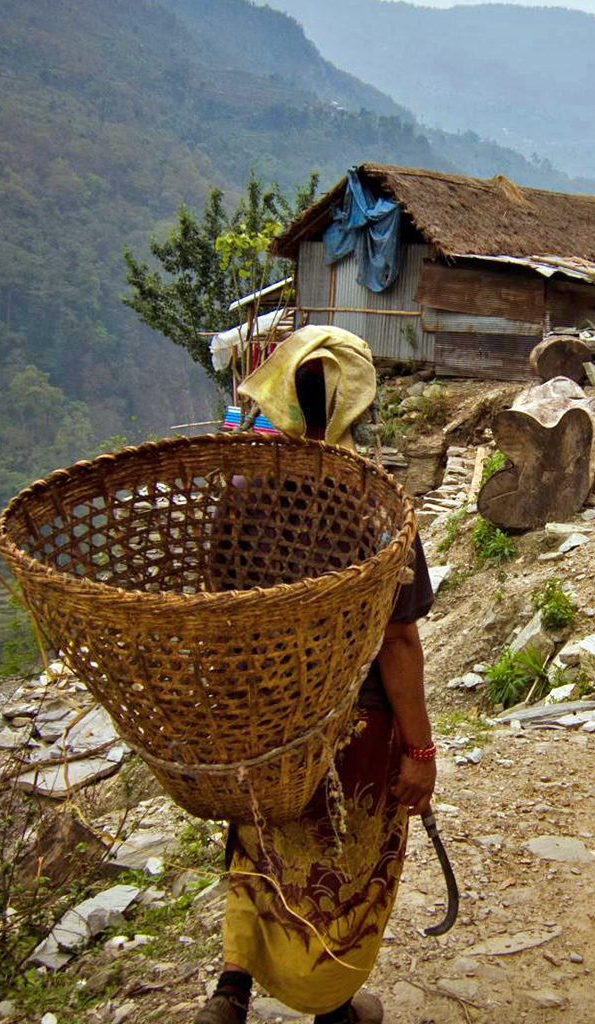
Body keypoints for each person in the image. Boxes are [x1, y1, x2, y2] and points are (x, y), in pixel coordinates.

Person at [196, 327, 435, 1024]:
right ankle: (332, 1006)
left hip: (263, 718)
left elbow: (219, 600)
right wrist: (420, 750)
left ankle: (232, 988)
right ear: (355, 404)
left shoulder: (241, 488)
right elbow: (397, 641)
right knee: (342, 859)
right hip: (350, 724)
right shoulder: (375, 508)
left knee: (263, 841)